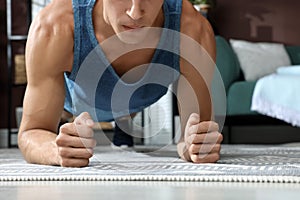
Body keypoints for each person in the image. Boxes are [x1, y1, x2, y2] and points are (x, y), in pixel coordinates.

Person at [18, 0, 223, 167]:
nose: (135, 12)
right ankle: (118, 122)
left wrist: (196, 146)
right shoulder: (54, 26)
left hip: (141, 96)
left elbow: (193, 138)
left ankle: (124, 120)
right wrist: (55, 149)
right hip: (77, 100)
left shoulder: (192, 30)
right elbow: (31, 132)